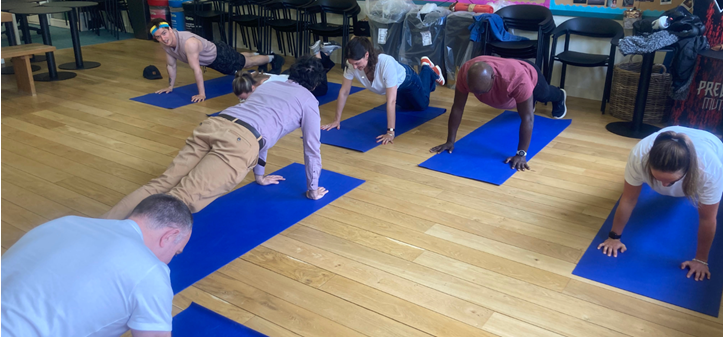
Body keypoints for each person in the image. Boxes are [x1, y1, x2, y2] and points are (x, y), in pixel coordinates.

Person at [103, 55, 329, 220]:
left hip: (214, 125)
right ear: (316, 84)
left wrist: (259, 176)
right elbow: (311, 149)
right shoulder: (309, 101)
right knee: (181, 199)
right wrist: (312, 190)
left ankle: (102, 226)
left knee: (161, 184)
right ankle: (119, 242)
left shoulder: (269, 86)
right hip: (240, 142)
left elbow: (263, 130)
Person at [1, 194, 193, 337]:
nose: (170, 259)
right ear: (169, 236)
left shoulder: (66, 222)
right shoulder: (151, 271)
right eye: (176, 252)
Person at [597, 126, 723, 282]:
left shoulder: (710, 169)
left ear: (688, 171)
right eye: (657, 179)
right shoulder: (639, 155)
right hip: (670, 134)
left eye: (670, 181)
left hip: (711, 142)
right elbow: (628, 199)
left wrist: (701, 260)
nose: (662, 186)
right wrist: (614, 237)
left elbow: (707, 219)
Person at [429, 55, 568, 171]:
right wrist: (450, 141)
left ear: (493, 78)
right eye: (475, 92)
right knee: (525, 102)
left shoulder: (517, 80)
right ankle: (527, 100)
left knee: (545, 94)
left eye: (483, 92)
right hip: (509, 67)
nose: (479, 95)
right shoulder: (465, 72)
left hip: (528, 72)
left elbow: (528, 119)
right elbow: (458, 107)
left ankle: (559, 95)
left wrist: (521, 154)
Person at [322, 37, 445, 145]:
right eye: (351, 63)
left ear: (366, 55)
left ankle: (426, 69)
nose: (354, 67)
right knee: (408, 106)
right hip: (395, 87)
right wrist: (336, 120)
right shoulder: (351, 65)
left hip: (407, 81)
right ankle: (431, 80)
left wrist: (390, 132)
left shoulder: (386, 63)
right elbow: (344, 91)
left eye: (357, 63)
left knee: (422, 105)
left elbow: (391, 101)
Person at [147, 18, 284, 103]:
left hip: (219, 56)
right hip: (213, 53)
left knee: (246, 63)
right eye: (158, 37)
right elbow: (171, 65)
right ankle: (258, 54)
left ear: (170, 29)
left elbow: (196, 69)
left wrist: (202, 94)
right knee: (239, 57)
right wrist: (170, 86)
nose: (163, 39)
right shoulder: (165, 44)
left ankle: (273, 58)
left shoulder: (189, 43)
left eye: (164, 33)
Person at [235, 40, 342, 102]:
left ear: (253, 88)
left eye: (242, 98)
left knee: (322, 88)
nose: (242, 100)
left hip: (295, 80)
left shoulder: (263, 90)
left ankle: (319, 54)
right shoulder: (250, 77)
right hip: (288, 74)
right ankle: (321, 54)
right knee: (311, 70)